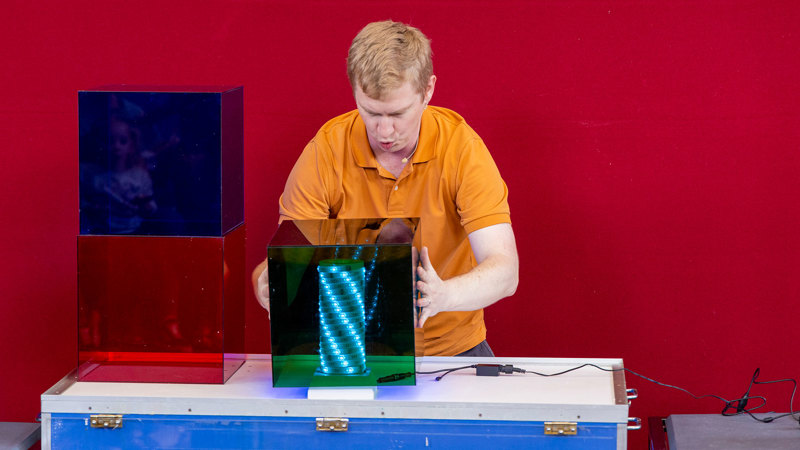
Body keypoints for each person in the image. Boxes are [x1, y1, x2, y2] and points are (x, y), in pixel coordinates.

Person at [253, 20, 518, 357]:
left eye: (398, 113)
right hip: (351, 352)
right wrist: (270, 280)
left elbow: (505, 271)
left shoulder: (461, 148)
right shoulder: (327, 149)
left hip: (452, 352)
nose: (384, 130)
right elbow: (290, 254)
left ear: (428, 91)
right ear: (355, 94)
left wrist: (442, 296)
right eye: (371, 112)